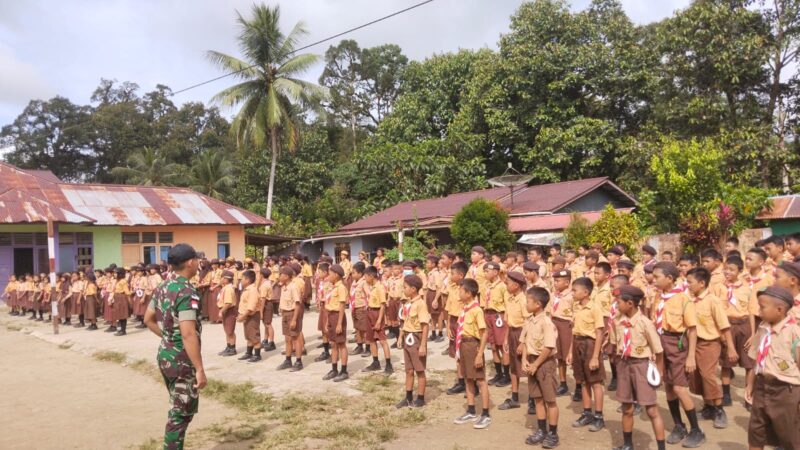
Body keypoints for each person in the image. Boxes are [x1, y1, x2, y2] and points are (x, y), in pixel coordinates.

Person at [142, 244, 206, 450]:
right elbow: (188, 333)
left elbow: (148, 319)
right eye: (196, 259)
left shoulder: (163, 287)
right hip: (182, 361)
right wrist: (199, 369)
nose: (198, 263)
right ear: (190, 262)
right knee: (179, 415)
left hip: (166, 354)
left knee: (178, 407)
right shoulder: (187, 291)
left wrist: (168, 337)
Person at [651, 262, 703, 448]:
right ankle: (679, 426)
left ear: (670, 279)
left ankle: (696, 429)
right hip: (661, 343)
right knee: (669, 387)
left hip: (677, 344)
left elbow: (692, 330)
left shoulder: (683, 299)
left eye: (657, 277)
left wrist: (690, 357)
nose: (653, 280)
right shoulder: (658, 297)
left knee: (681, 388)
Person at [610, 285, 666, 450]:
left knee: (651, 410)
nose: (616, 305)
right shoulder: (617, 321)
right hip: (624, 364)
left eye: (618, 302)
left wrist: (660, 373)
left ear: (630, 304)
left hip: (641, 366)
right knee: (626, 408)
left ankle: (661, 447)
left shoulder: (645, 323)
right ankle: (628, 444)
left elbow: (659, 351)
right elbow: (614, 344)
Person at [744, 286, 800, 450]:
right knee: (755, 433)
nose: (759, 311)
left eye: (762, 307)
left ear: (780, 310)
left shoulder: (794, 333)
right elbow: (757, 360)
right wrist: (750, 384)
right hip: (762, 387)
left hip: (786, 391)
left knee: (790, 437)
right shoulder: (763, 328)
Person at [685, 267, 736, 429]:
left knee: (708, 375)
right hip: (694, 343)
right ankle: (708, 407)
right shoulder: (689, 299)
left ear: (701, 283)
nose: (688, 285)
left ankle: (719, 410)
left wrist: (731, 348)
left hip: (710, 343)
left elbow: (724, 326)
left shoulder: (713, 301)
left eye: (690, 282)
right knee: (697, 376)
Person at [520, 286, 560, 447]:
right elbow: (524, 342)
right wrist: (524, 359)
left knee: (550, 400)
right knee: (537, 398)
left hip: (544, 364)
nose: (526, 303)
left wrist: (536, 364)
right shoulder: (529, 320)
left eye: (528, 301)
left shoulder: (546, 322)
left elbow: (548, 347)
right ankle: (542, 430)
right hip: (532, 361)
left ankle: (553, 433)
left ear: (538, 304)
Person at [567, 276, 606, 432]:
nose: (572, 293)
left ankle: (598, 416)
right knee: (582, 381)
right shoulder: (576, 307)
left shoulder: (595, 308)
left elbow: (599, 333)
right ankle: (587, 412)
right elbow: (573, 331)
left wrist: (596, 356)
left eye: (575, 290)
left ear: (585, 292)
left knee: (595, 382)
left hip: (590, 345)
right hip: (578, 344)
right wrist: (570, 351)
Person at [452, 278, 491, 429]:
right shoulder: (465, 308)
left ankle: (486, 414)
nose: (459, 293)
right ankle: (471, 410)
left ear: (468, 293)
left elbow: (484, 333)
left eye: (461, 290)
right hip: (463, 345)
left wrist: (480, 354)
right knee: (468, 378)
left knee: (480, 380)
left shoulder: (476, 310)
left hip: (473, 345)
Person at [719, 256, 754, 407]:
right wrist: (720, 332)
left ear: (740, 271)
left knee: (749, 363)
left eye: (731, 269)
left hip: (744, 325)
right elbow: (717, 312)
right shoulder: (719, 287)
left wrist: (753, 334)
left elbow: (751, 311)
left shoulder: (747, 288)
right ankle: (726, 394)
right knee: (726, 363)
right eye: (726, 269)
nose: (727, 272)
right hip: (727, 326)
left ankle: (748, 394)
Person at [498, 270, 531, 411]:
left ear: (517, 285)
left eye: (509, 282)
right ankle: (515, 397)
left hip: (522, 334)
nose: (506, 284)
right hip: (512, 333)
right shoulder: (510, 298)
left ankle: (533, 400)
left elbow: (528, 323)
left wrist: (523, 343)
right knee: (513, 367)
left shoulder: (524, 300)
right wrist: (506, 338)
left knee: (527, 367)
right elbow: (509, 322)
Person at [397, 274, 430, 409]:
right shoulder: (408, 303)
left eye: (405, 287)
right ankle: (408, 396)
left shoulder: (420, 304)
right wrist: (400, 336)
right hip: (408, 337)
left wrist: (422, 345)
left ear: (413, 289)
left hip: (417, 338)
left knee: (419, 370)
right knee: (409, 370)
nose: (403, 290)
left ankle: (421, 398)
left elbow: (425, 325)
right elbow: (405, 322)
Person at [484, 261, 510, 387]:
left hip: (499, 316)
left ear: (495, 272)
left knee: (502, 346)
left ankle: (507, 375)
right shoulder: (487, 286)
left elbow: (507, 305)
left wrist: (505, 319)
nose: (485, 274)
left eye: (487, 271)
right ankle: (498, 373)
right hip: (488, 315)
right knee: (493, 346)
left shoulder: (502, 286)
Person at [362, 265, 393, 374]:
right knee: (371, 340)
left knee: (382, 340)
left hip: (377, 314)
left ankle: (389, 365)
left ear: (371, 276)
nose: (364, 278)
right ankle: (375, 362)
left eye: (365, 276)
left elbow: (383, 306)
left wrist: (379, 321)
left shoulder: (379, 287)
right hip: (370, 312)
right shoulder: (372, 286)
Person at [549, 270, 574, 397]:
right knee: (559, 356)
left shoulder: (571, 296)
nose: (555, 283)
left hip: (566, 325)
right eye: (555, 280)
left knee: (569, 355)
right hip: (555, 323)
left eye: (558, 281)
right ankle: (563, 383)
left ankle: (579, 385)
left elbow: (575, 312)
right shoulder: (554, 295)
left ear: (567, 282)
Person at [446, 261, 469, 395]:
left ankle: (471, 383)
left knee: (466, 353)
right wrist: (448, 326)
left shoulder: (466, 290)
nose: (450, 276)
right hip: (454, 322)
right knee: (456, 354)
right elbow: (449, 309)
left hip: (463, 323)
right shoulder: (453, 288)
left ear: (460, 275)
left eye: (452, 274)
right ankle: (461, 382)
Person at [323, 264, 349, 382]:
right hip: (331, 316)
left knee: (341, 344)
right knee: (333, 343)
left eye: (330, 273)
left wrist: (339, 323)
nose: (329, 275)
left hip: (338, 316)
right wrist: (328, 321)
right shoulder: (332, 287)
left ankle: (344, 371)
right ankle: (334, 369)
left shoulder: (341, 288)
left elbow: (342, 306)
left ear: (336, 275)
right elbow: (329, 306)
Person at [276, 266, 305, 372]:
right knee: (287, 338)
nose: (279, 277)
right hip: (285, 314)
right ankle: (288, 360)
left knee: (296, 338)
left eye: (281, 275)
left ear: (287, 276)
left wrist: (294, 319)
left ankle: (298, 361)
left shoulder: (293, 287)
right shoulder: (284, 287)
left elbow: (297, 304)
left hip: (292, 313)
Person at [236, 270, 262, 363]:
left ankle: (257, 355)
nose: (240, 281)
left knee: (254, 335)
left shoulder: (253, 290)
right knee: (248, 335)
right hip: (246, 315)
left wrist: (243, 316)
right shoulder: (247, 289)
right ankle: (249, 353)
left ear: (247, 280)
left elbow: (251, 307)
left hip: (252, 315)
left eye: (242, 279)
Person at [349, 262, 369, 356]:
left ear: (360, 274)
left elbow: (369, 295)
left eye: (354, 273)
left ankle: (368, 347)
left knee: (364, 329)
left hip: (362, 308)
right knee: (357, 328)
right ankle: (359, 345)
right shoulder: (354, 283)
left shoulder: (364, 283)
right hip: (354, 308)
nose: (352, 275)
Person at [217, 271, 237, 356]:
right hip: (226, 310)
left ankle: (232, 348)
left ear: (226, 279)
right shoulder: (225, 287)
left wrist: (222, 311)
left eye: (222, 278)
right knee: (227, 330)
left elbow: (228, 303)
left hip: (229, 311)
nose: (221, 279)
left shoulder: (228, 289)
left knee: (230, 331)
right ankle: (228, 346)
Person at [425, 255, 444, 342]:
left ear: (433, 264)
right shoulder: (430, 273)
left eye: (428, 262)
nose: (426, 264)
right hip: (430, 293)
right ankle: (433, 333)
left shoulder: (436, 274)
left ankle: (440, 333)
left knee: (438, 314)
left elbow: (439, 288)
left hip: (435, 294)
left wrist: (436, 299)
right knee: (432, 314)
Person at [258, 267, 276, 352]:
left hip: (266, 304)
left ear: (261, 275)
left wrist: (261, 312)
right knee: (265, 323)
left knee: (268, 324)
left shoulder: (265, 285)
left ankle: (271, 342)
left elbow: (263, 299)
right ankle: (265, 340)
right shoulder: (267, 283)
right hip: (267, 304)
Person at [111, 268, 131, 336]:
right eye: (114, 273)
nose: (115, 274)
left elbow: (127, 292)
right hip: (116, 298)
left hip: (122, 297)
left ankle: (123, 330)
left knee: (123, 314)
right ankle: (120, 329)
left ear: (120, 274)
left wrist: (130, 300)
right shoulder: (115, 281)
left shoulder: (123, 281)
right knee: (118, 314)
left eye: (116, 273)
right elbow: (113, 290)